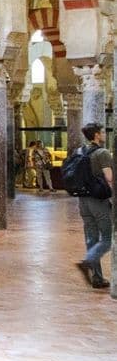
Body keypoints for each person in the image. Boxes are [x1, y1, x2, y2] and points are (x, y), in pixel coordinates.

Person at [74, 122, 113, 289]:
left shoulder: (80, 151)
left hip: (83, 201)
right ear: (97, 135)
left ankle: (97, 278)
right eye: (103, 132)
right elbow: (110, 178)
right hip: (98, 200)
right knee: (107, 238)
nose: (104, 134)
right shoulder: (102, 153)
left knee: (91, 238)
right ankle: (87, 262)